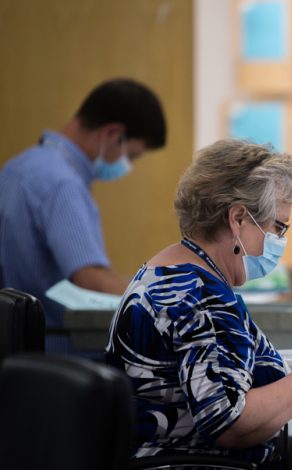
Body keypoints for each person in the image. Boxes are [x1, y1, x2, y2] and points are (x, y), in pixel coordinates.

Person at [105, 139, 292, 467]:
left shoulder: (164, 271)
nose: (281, 241)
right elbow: (230, 423)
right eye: (278, 226)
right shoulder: (203, 297)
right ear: (239, 218)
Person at [0, 78, 167, 345]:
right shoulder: (62, 183)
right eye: (131, 156)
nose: (127, 165)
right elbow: (91, 278)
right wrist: (165, 298)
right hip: (57, 351)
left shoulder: (18, 167)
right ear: (113, 134)